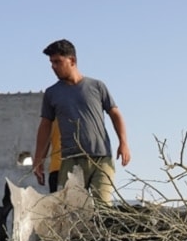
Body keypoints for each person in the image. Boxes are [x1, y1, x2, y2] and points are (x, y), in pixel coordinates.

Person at [32, 39, 130, 203]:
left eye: (58, 62)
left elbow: (115, 114)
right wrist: (38, 159)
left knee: (103, 209)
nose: (53, 66)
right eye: (51, 62)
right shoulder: (52, 93)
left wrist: (123, 142)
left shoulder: (97, 86)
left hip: (101, 158)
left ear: (72, 60)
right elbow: (45, 126)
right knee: (70, 211)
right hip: (71, 161)